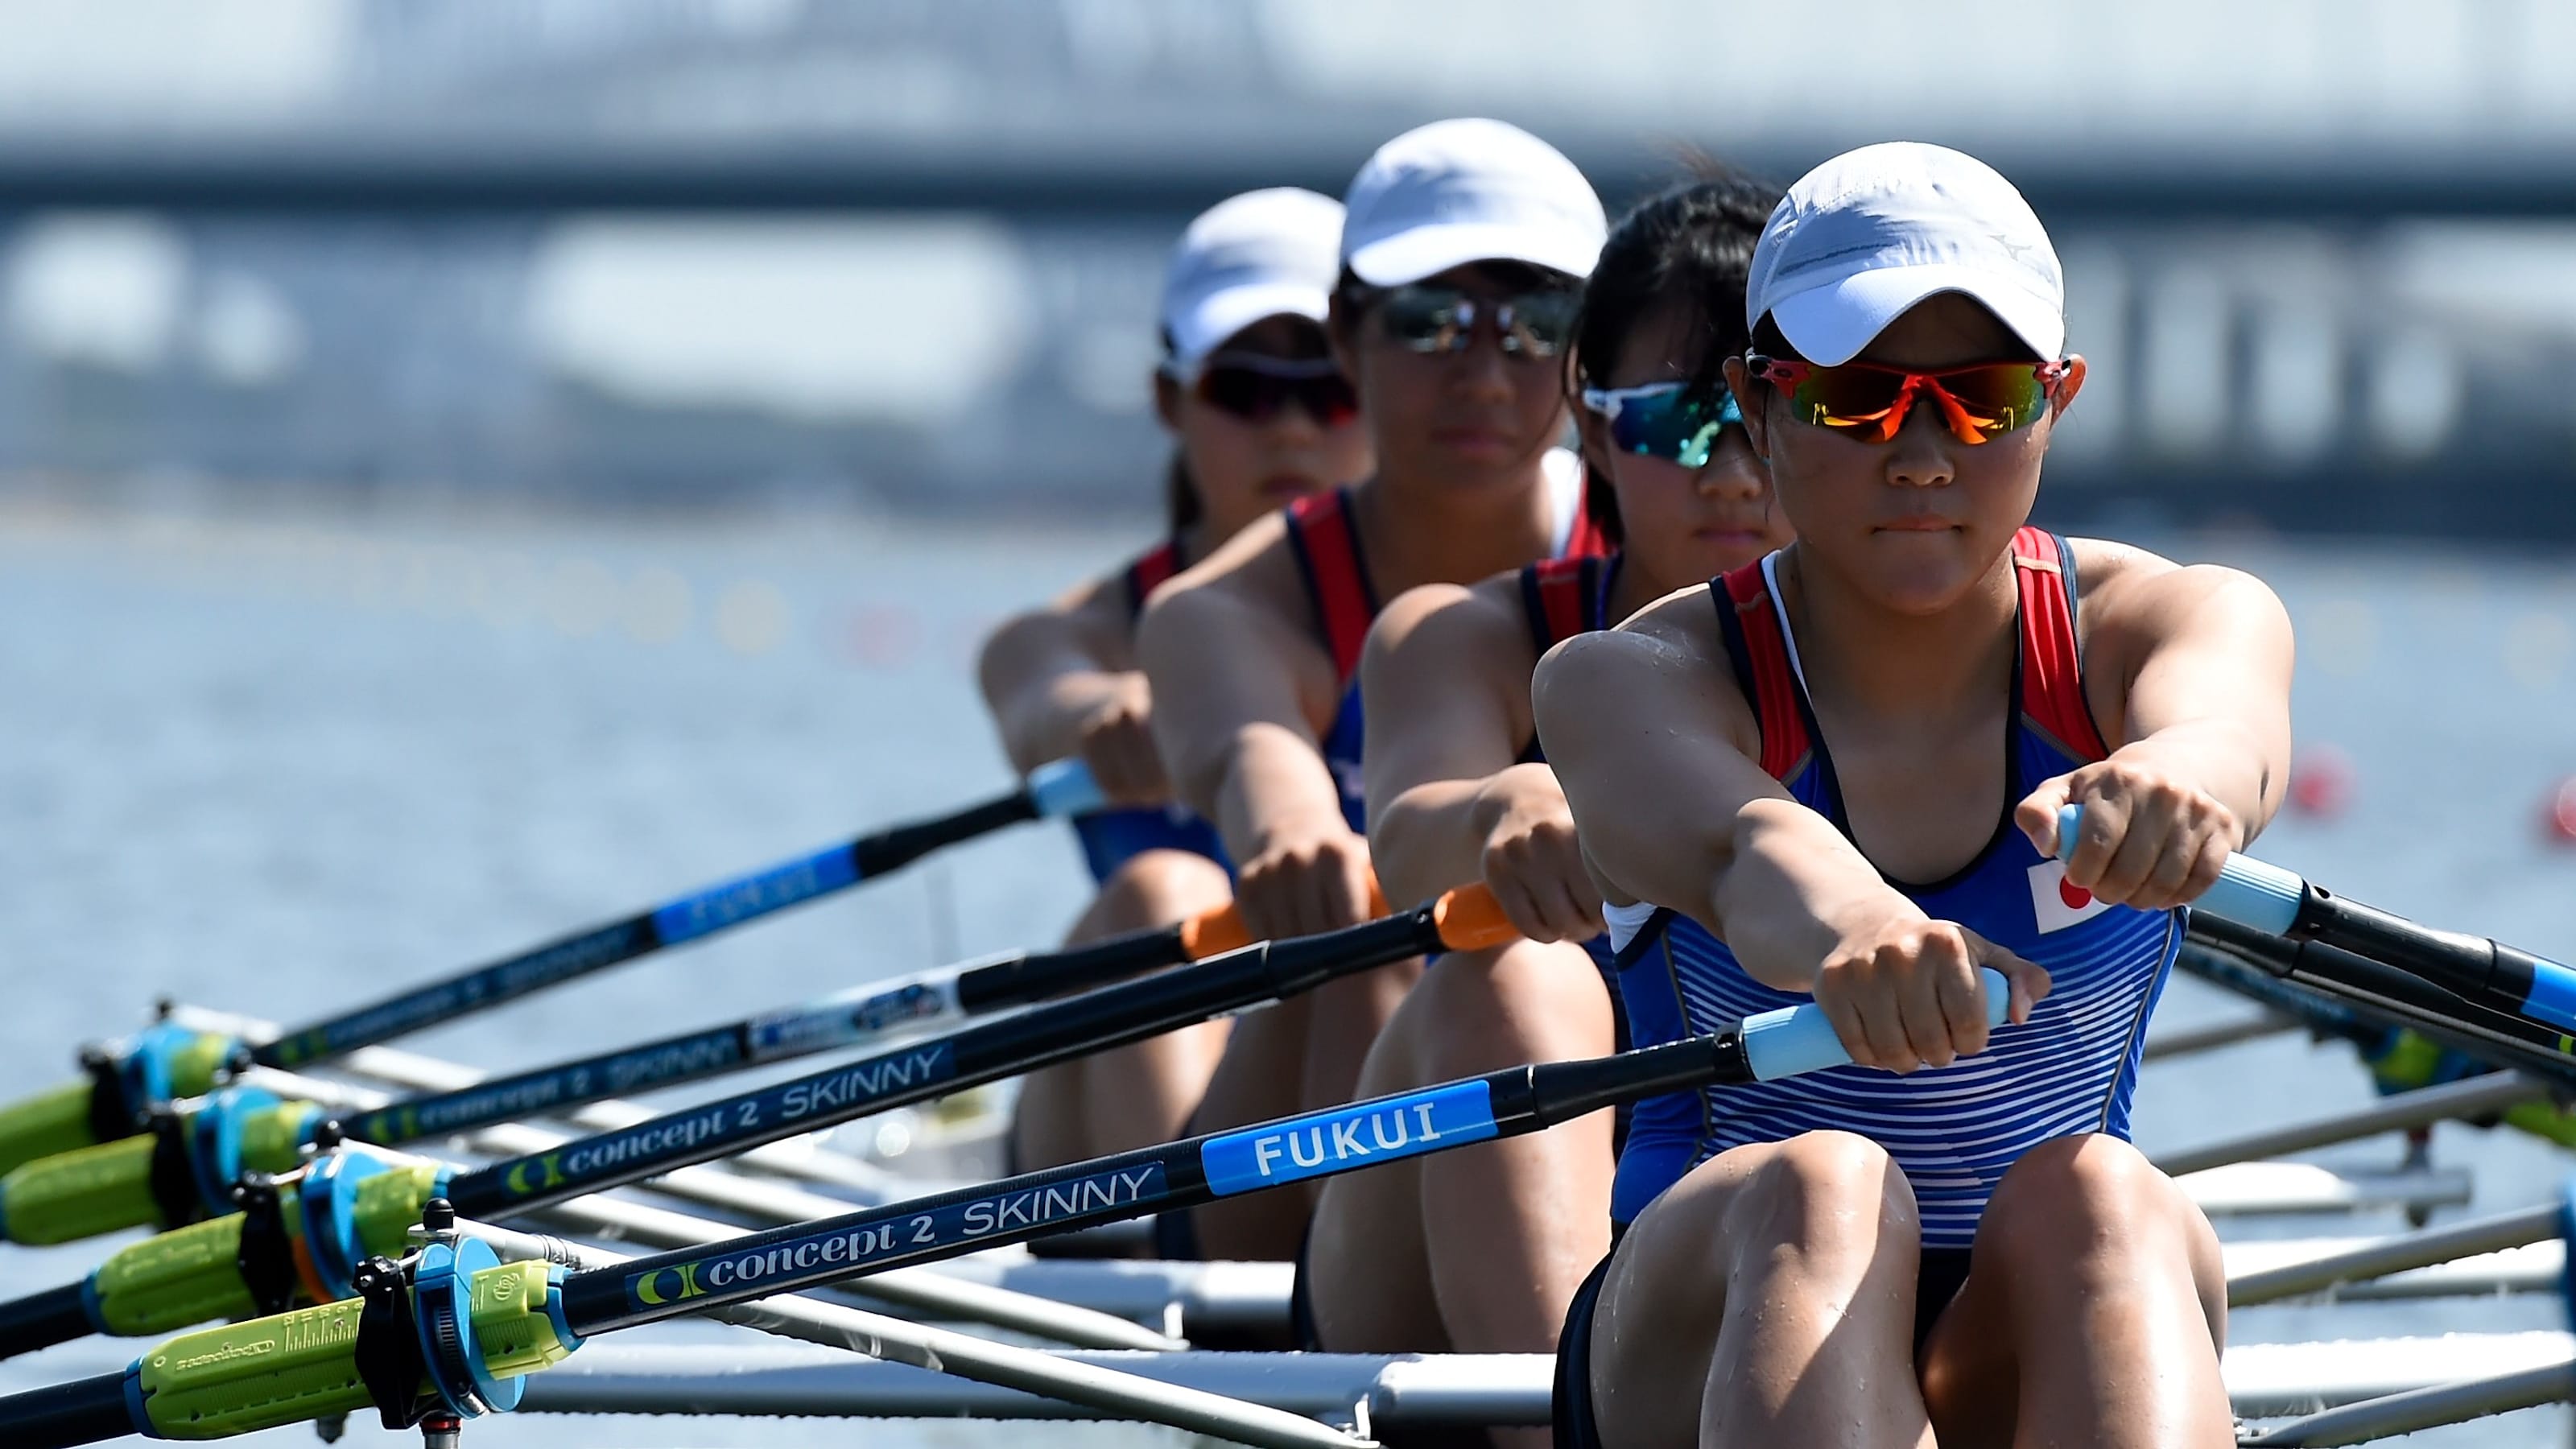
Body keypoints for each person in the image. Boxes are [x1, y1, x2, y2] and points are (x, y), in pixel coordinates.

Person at [1536, 142, 2293, 1448]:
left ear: (2056, 402)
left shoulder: (2171, 621)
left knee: (2103, 1200)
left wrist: (2179, 788)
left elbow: (2229, 729)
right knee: (1827, 1185)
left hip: (2037, 1305)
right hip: (1701, 1315)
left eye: (1983, 399)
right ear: (1760, 407)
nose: (1926, 454)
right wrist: (1856, 932)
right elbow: (1742, 846)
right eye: (1857, 399)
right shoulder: (1626, 682)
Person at [1299, 179, 1790, 1422]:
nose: (1729, 474)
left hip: (1762, 1223)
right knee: (1508, 975)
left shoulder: (1935, 664)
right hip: (1421, 1250)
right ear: (1587, 415)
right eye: (1679, 423)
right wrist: (1501, 807)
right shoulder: (1462, 637)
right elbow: (1408, 838)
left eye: (1763, 419)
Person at [1139, 118, 1610, 1261]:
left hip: (1612, 1090)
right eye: (1428, 320)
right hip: (1327, 1123)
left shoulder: (1684, 536)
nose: (1486, 373)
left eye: (1536, 324)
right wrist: (1300, 835)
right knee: (1378, 934)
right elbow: (1259, 758)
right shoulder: (1222, 610)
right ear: (1347, 334)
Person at [985, 188, 1369, 1169]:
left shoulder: (1453, 630)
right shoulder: (1089, 630)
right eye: (1245, 390)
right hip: (1106, 1123)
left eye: (1326, 390)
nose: (1289, 429)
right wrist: (1104, 715)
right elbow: (1037, 696)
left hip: (1344, 1070)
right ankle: (1188, 1255)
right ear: (1169, 399)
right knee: (1164, 890)